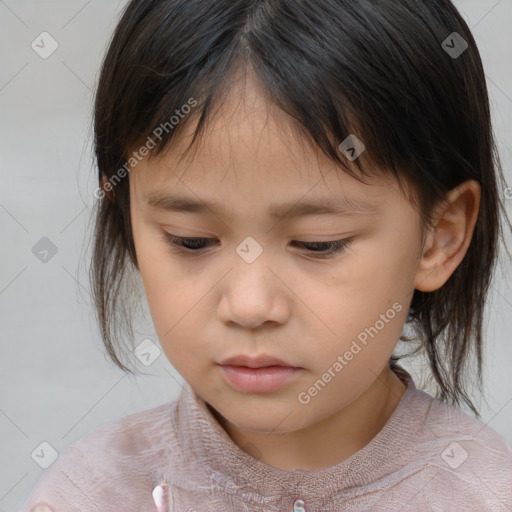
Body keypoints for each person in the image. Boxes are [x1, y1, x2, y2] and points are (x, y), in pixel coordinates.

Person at [22, 0, 512, 510]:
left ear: (439, 236)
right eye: (190, 240)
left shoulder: (485, 495)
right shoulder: (89, 495)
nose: (250, 306)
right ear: (127, 220)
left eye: (318, 243)